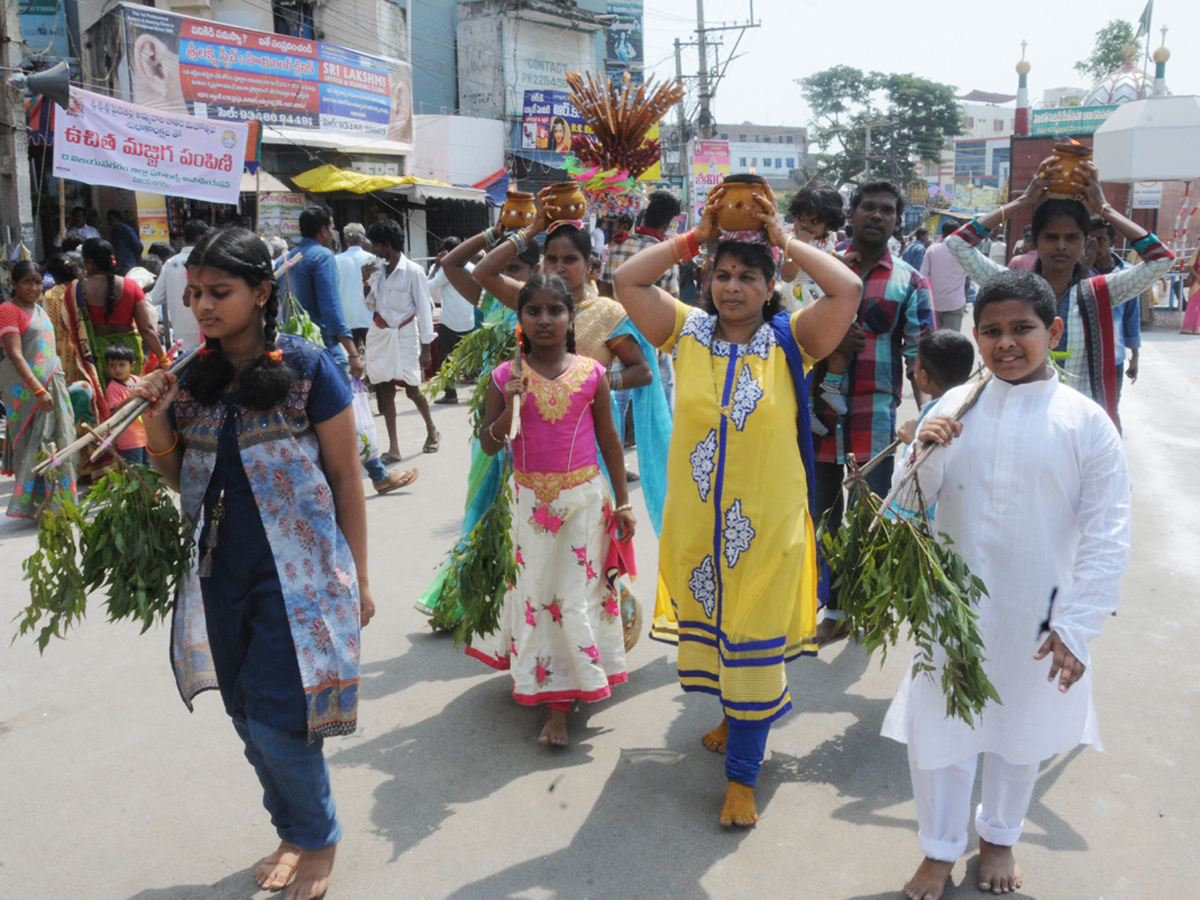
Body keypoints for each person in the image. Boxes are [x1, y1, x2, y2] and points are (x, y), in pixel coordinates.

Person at [129, 227, 373, 900]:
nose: (203, 305)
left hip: (301, 576)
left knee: (277, 716)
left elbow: (347, 478)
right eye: (195, 293)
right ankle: (291, 828)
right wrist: (155, 422)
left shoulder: (306, 368)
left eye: (220, 292)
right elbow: (180, 476)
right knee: (245, 714)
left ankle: (318, 837)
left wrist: (360, 577)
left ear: (262, 293)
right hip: (219, 570)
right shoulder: (189, 376)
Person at [612, 180, 863, 827]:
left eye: (747, 277)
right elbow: (627, 281)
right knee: (720, 638)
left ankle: (742, 780)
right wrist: (696, 235)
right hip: (699, 531)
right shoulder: (686, 334)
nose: (732, 287)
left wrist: (786, 240)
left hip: (767, 530)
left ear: (768, 282)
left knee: (751, 643)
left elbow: (848, 292)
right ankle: (732, 717)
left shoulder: (790, 339)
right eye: (721, 274)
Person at [883, 269, 1130, 900]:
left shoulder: (1086, 422)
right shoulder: (953, 405)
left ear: (1051, 332)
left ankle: (1000, 835)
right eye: (990, 331)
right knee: (941, 727)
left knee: (1021, 727)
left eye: (1021, 329)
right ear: (975, 335)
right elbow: (900, 515)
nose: (1005, 343)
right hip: (952, 604)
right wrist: (923, 454)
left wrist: (1078, 625)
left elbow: (1108, 533)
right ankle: (938, 850)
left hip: (1038, 605)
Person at [468, 273, 635, 747]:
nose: (545, 320)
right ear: (519, 318)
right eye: (533, 311)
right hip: (527, 507)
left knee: (568, 598)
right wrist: (510, 406)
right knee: (537, 597)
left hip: (582, 503)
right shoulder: (504, 376)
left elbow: (609, 440)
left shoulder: (592, 374)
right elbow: (489, 441)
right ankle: (542, 679)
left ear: (570, 317)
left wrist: (622, 503)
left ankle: (559, 709)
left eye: (555, 311)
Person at [473, 187, 673, 537]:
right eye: (552, 259)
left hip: (587, 449)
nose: (560, 267)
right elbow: (484, 274)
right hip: (531, 447)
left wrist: (600, 382)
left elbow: (643, 371)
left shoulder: (608, 313)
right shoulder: (532, 301)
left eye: (570, 260)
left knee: (586, 552)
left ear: (590, 265)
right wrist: (531, 229)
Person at [945, 157, 1174, 426]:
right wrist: (1024, 201)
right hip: (1017, 421)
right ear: (1035, 242)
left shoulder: (1099, 292)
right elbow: (958, 244)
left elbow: (1162, 259)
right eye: (1051, 237)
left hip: (1079, 426)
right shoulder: (1013, 288)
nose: (1061, 246)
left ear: (1084, 242)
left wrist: (1104, 208)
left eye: (1072, 238)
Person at [812, 181, 934, 644]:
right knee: (822, 513)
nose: (877, 216)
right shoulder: (820, 272)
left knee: (869, 517)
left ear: (897, 220)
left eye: (887, 209)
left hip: (875, 419)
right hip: (818, 413)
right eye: (869, 207)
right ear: (852, 213)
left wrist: (929, 419)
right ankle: (836, 607)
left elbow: (921, 357)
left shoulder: (909, 281)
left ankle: (868, 605)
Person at [599, 190, 683, 440]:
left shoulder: (617, 244)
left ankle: (614, 456)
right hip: (650, 336)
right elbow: (673, 306)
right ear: (668, 224)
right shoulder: (665, 253)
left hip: (615, 332)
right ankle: (665, 455)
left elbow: (603, 290)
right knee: (661, 392)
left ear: (644, 216)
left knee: (617, 396)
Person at [0, 261, 77, 519]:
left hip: (52, 382)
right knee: (39, 443)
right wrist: (36, 390)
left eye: (37, 281)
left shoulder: (39, 308)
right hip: (28, 389)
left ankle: (59, 503)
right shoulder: (9, 310)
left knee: (61, 438)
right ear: (13, 284)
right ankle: (40, 506)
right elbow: (14, 353)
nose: (33, 287)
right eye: (27, 282)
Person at [363, 218, 439, 457]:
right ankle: (394, 448)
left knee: (412, 389)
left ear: (387, 245)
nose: (371, 249)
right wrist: (365, 281)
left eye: (374, 244)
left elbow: (425, 311)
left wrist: (426, 348)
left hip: (406, 335)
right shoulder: (377, 270)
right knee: (384, 388)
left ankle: (432, 430)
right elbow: (370, 305)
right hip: (381, 334)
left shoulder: (414, 272)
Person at [65, 237, 166, 410]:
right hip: (129, 353)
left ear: (88, 262)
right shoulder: (131, 286)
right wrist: (164, 359)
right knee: (134, 400)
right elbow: (147, 329)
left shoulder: (77, 290)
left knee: (106, 404)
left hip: (96, 355)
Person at [280, 206, 363, 382]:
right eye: (332, 228)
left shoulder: (284, 260)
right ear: (323, 230)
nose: (333, 234)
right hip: (323, 346)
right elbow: (331, 307)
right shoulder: (323, 256)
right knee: (341, 403)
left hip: (291, 347)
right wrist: (353, 354)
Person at [1088, 216, 1139, 405]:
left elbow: (1131, 316)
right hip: (1082, 357)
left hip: (1113, 358)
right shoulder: (1074, 271)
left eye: (1100, 240)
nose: (1094, 246)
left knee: (1109, 410)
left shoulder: (1126, 273)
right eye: (1089, 240)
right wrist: (1084, 267)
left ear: (1113, 242)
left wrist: (1134, 356)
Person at [895, 330, 975, 450]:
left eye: (916, 362)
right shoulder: (970, 407)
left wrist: (914, 439)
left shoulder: (935, 416)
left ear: (923, 376)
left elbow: (922, 463)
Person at [427, 236, 478, 405]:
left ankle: (451, 394)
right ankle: (477, 392)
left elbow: (427, 287)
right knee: (470, 357)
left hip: (449, 322)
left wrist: (436, 265)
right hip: (468, 320)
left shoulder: (446, 270)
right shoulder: (472, 267)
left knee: (446, 359)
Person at [152, 218, 210, 349]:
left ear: (184, 239)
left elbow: (156, 297)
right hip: (207, 330)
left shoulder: (170, 263)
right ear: (202, 237)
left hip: (181, 334)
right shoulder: (208, 261)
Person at [103, 344, 149, 466]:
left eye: (122, 365)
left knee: (150, 470)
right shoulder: (113, 387)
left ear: (132, 365)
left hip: (146, 434)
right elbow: (115, 412)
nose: (117, 369)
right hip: (130, 437)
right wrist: (131, 397)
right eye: (112, 365)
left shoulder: (137, 380)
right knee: (135, 472)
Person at [41, 253, 84, 385]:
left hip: (59, 349)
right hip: (84, 344)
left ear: (54, 275)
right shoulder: (82, 289)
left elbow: (48, 325)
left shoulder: (50, 295)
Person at [920, 221, 971, 333]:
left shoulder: (932, 250)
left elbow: (923, 276)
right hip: (955, 303)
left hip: (935, 302)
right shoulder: (963, 251)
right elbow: (969, 274)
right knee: (951, 341)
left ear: (942, 234)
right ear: (958, 233)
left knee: (936, 339)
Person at [334, 223, 374, 350]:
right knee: (375, 360)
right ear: (363, 240)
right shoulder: (373, 260)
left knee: (350, 361)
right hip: (370, 318)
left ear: (345, 240)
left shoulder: (336, 260)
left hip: (346, 318)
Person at [107, 210, 144, 276]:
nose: (109, 223)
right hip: (117, 267)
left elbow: (139, 246)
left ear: (118, 220)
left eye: (111, 220)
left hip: (127, 266)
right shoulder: (114, 232)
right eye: (108, 221)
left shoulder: (127, 230)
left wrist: (133, 257)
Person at [1182, 245, 1200, 335]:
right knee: (1194, 304)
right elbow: (1190, 266)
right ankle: (1189, 328)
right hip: (1198, 282)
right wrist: (1197, 277)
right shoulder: (1198, 250)